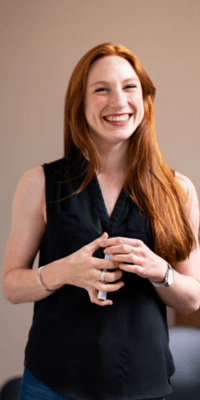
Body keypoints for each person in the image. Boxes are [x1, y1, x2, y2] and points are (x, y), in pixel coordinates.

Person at [2, 42, 200, 400]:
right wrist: (62, 271)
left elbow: (193, 298)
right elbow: (11, 286)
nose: (118, 101)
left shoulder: (180, 190)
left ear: (145, 98)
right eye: (101, 90)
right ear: (79, 103)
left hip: (143, 386)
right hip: (51, 385)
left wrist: (159, 270)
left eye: (129, 87)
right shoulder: (38, 183)